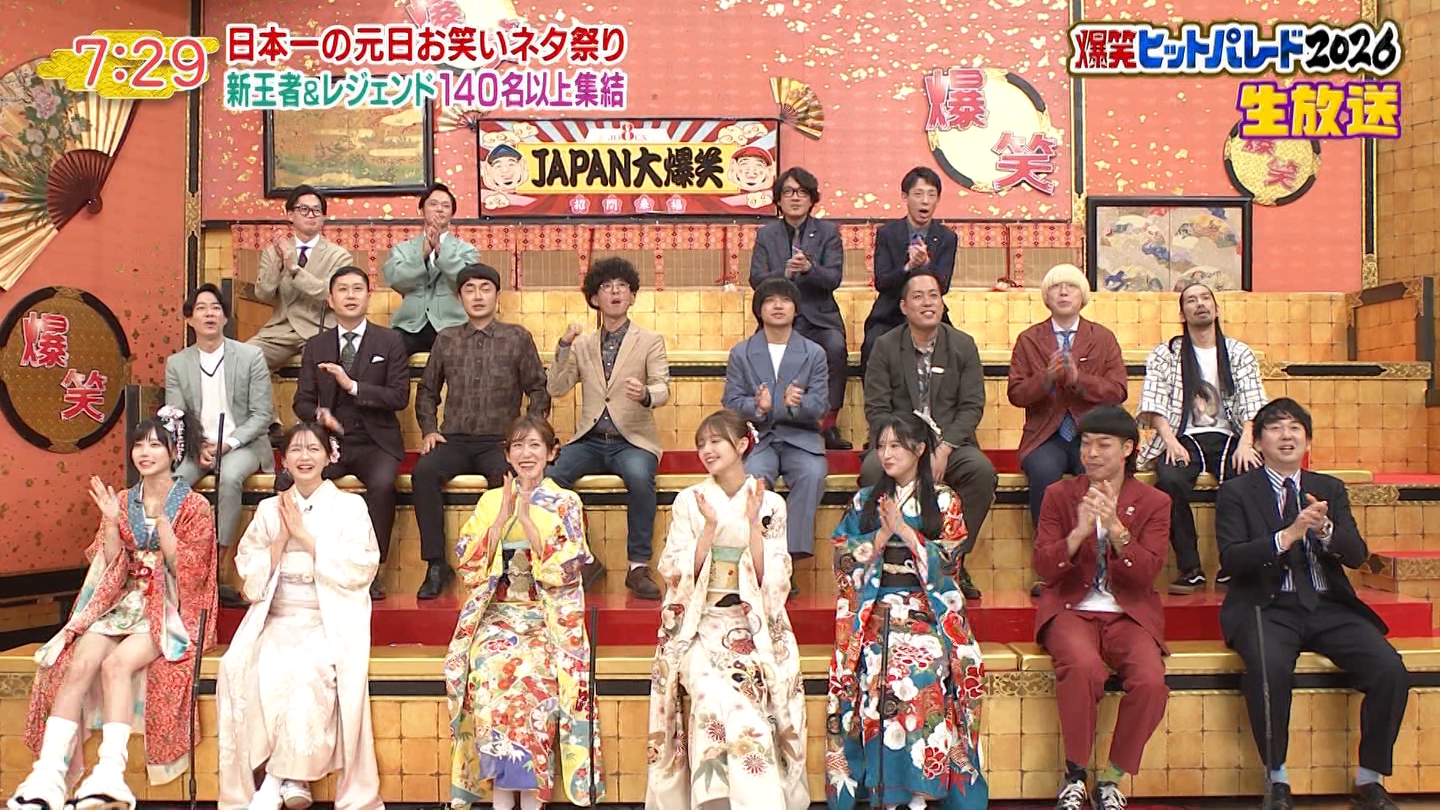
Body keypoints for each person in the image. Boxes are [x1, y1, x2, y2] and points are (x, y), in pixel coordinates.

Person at [8, 408, 217, 810]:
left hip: (168, 606)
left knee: (116, 665)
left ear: (175, 451)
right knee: (77, 664)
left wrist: (167, 536)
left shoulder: (194, 506)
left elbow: (192, 573)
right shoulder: (123, 499)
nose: (144, 452)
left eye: (155, 445)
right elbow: (109, 561)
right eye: (139, 444)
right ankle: (47, 775)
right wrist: (109, 523)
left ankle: (109, 774)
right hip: (122, 600)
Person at [1216, 398, 1409, 810]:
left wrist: (1325, 530)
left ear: (1308, 440)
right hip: (1267, 605)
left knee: (1390, 668)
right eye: (1275, 428)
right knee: (1268, 670)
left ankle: (1370, 779)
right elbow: (1230, 559)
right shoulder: (1236, 491)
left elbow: (1356, 555)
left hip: (1327, 604)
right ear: (1258, 441)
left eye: (1295, 429)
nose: (1286, 436)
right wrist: (1285, 537)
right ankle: (1277, 779)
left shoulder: (1329, 488)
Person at [646, 410, 808, 810]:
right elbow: (672, 569)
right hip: (700, 625)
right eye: (701, 443)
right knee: (709, 695)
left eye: (715, 441)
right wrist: (707, 531)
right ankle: (714, 802)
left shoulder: (770, 503)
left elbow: (777, 577)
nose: (706, 450)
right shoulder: (689, 501)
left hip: (750, 627)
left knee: (747, 705)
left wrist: (753, 527)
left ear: (742, 444)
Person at [216, 423, 382, 810]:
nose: (304, 457)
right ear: (284, 459)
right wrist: (280, 540)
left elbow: (362, 566)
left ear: (329, 456)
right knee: (243, 666)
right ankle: (291, 778)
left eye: (313, 449)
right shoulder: (269, 509)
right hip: (277, 614)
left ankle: (277, 781)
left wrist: (305, 538)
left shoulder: (350, 507)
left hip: (328, 615)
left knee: (306, 669)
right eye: (296, 450)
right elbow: (248, 569)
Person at [826, 412, 987, 810]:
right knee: (877, 672)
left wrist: (906, 533)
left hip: (924, 610)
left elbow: (950, 562)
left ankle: (920, 789)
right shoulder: (865, 500)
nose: (886, 454)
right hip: (873, 609)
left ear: (919, 449)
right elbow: (841, 558)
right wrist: (881, 535)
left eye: (896, 445)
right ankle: (885, 790)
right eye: (881, 446)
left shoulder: (945, 500)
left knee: (922, 670)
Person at [445, 416, 602, 810]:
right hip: (498, 614)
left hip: (547, 616)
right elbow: (467, 563)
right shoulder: (490, 500)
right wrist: (502, 519)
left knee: (536, 678)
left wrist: (529, 521)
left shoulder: (566, 502)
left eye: (534, 445)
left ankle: (532, 798)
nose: (526, 453)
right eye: (518, 445)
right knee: (487, 670)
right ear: (507, 454)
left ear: (551, 453)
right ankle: (501, 796)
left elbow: (568, 566)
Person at [1034, 407, 1171, 810]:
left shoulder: (1155, 502)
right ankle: (1075, 773)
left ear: (1128, 449)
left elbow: (1146, 574)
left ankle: (1111, 779)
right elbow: (1044, 567)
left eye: (1103, 445)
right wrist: (1078, 533)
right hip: (1071, 608)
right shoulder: (1059, 494)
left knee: (1151, 682)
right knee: (1083, 667)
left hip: (1128, 612)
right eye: (1086, 444)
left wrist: (1117, 531)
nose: (1091, 453)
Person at [413, 263, 550, 600]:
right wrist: (429, 429)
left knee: (508, 477)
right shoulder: (447, 339)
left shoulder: (517, 337)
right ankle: (435, 564)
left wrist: (526, 438)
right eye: (470, 289)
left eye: (485, 288)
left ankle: (507, 562)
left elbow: (539, 389)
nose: (478, 296)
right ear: (459, 297)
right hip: (454, 439)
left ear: (497, 295)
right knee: (423, 472)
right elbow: (427, 391)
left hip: (500, 442)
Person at [861, 271, 996, 599]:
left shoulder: (962, 345)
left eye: (934, 295)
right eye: (918, 296)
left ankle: (953, 562)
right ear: (903, 306)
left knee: (980, 471)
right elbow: (877, 408)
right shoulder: (886, 346)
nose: (928, 303)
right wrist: (905, 450)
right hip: (900, 444)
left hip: (951, 445)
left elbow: (972, 406)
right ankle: (887, 562)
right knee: (873, 470)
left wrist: (944, 448)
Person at [546, 257, 671, 600]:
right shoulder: (582, 344)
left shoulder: (650, 340)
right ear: (594, 298)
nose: (615, 292)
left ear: (632, 296)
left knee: (640, 479)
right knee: (549, 479)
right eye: (606, 286)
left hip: (632, 440)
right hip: (589, 439)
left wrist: (646, 394)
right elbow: (556, 388)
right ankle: (584, 558)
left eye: (622, 286)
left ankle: (638, 567)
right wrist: (563, 346)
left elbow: (663, 387)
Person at [1138, 282, 1266, 594]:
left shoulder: (1238, 352)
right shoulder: (1166, 353)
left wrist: (1247, 443)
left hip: (1230, 435)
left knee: (1245, 476)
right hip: (1182, 436)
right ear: (1182, 314)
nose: (1200, 304)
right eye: (1191, 300)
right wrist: (1170, 441)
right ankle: (1190, 568)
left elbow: (1253, 402)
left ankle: (1234, 565)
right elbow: (1154, 402)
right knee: (1170, 479)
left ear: (1216, 309)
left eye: (1206, 298)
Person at [1009, 264, 1127, 595]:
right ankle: (1051, 566)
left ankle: (1099, 567)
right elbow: (1016, 394)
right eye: (1055, 287)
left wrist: (1078, 379)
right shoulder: (1029, 339)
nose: (1063, 292)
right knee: (1043, 473)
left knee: (1097, 473)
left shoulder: (1102, 338)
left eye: (1071, 287)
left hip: (1089, 435)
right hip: (1045, 436)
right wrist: (1046, 378)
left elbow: (1118, 390)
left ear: (1082, 296)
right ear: (1046, 297)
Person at [292, 266, 409, 601]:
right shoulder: (316, 345)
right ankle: (305, 564)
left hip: (376, 442)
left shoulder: (390, 341)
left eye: (358, 289)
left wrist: (353, 386)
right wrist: (319, 415)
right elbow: (301, 400)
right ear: (330, 300)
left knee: (383, 487)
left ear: (369, 297)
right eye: (342, 289)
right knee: (292, 481)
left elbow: (399, 397)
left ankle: (372, 570)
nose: (351, 295)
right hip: (329, 443)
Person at [167, 284, 275, 608]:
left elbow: (262, 415)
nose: (209, 314)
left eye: (215, 307)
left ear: (225, 317)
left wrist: (228, 443)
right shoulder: (177, 363)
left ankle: (217, 567)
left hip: (243, 444)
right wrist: (197, 445)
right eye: (201, 308)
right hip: (198, 446)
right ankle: (172, 564)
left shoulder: (250, 356)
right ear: (190, 319)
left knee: (229, 478)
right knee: (173, 484)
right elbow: (176, 414)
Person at [722, 277, 829, 591]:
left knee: (811, 474)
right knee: (753, 479)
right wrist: (757, 406)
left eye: (785, 300)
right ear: (759, 310)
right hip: (760, 437)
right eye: (770, 300)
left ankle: (787, 561)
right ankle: (759, 558)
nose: (778, 306)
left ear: (796, 309)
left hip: (801, 437)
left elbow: (820, 405)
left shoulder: (814, 353)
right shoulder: (742, 352)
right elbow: (731, 401)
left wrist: (797, 405)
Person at [748, 166, 851, 450]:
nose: (795, 198)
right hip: (778, 319)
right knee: (755, 350)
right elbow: (756, 279)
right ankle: (765, 421)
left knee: (835, 347)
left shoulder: (828, 232)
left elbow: (833, 279)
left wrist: (809, 269)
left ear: (812, 198)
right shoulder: (766, 235)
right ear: (779, 199)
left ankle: (827, 425)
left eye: (802, 192)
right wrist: (784, 272)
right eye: (789, 192)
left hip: (819, 318)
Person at [861, 166, 959, 375]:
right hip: (890, 314)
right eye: (918, 194)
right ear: (905, 197)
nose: (925, 201)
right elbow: (882, 282)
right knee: (872, 344)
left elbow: (943, 286)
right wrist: (908, 267)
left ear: (938, 199)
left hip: (930, 314)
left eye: (931, 195)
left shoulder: (947, 237)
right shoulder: (888, 233)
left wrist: (926, 266)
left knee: (957, 346)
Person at [249, 185, 355, 369]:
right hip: (279, 332)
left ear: (323, 217)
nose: (311, 215)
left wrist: (294, 269)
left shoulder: (339, 255)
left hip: (320, 330)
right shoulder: (273, 252)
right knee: (240, 359)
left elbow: (329, 293)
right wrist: (278, 265)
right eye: (304, 209)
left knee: (319, 369)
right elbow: (263, 295)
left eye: (316, 210)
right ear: (290, 215)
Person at [381, 182, 481, 355]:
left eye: (446, 206)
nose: (439, 209)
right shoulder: (403, 249)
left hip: (452, 325)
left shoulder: (466, 250)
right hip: (409, 326)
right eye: (433, 204)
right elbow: (396, 281)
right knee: (387, 353)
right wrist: (422, 255)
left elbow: (467, 282)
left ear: (452, 214)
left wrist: (442, 252)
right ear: (421, 210)